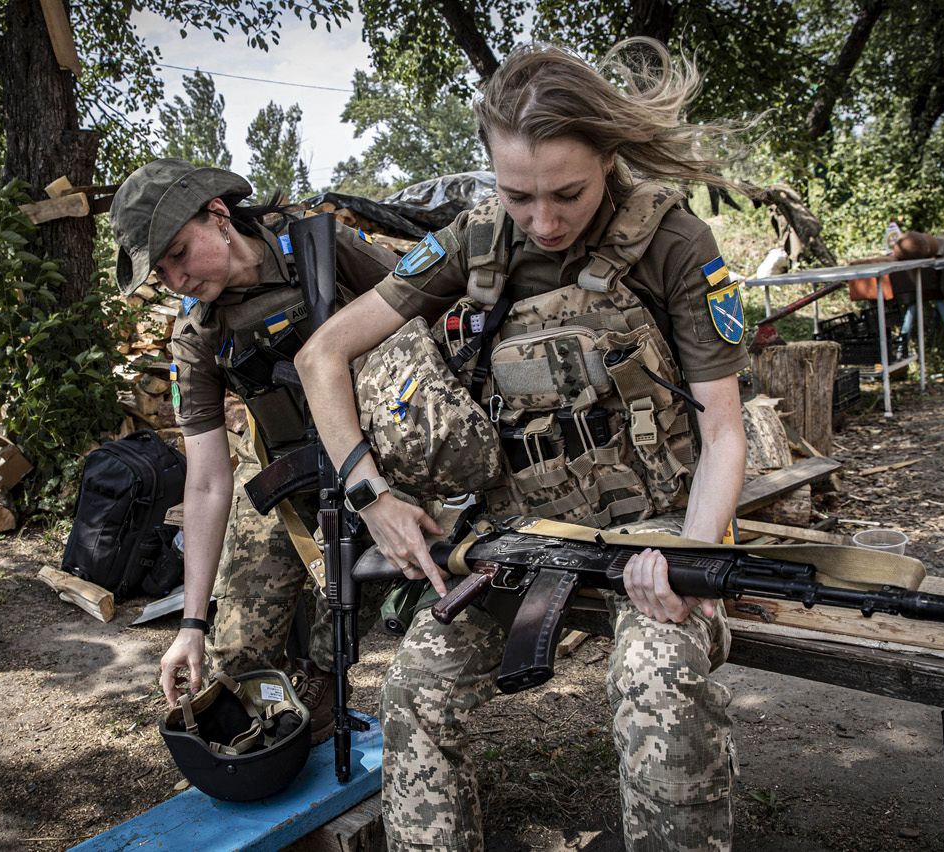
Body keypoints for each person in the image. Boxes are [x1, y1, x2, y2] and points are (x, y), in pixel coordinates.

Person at [297, 40, 747, 851]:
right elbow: (321, 355)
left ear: (607, 157)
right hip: (520, 538)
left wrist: (690, 556)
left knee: (658, 680)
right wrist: (373, 499)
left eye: (566, 193)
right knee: (413, 692)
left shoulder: (674, 241)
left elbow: (721, 429)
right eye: (517, 195)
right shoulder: (474, 241)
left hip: (656, 528)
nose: (541, 221)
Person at [110, 159, 397, 736]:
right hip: (284, 474)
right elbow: (207, 480)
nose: (176, 280)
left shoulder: (320, 245)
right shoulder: (196, 334)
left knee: (348, 601)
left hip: (381, 458)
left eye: (179, 254)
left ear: (218, 215)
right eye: (161, 272)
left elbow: (427, 304)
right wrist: (191, 623)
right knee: (236, 658)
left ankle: (320, 680)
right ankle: (271, 708)